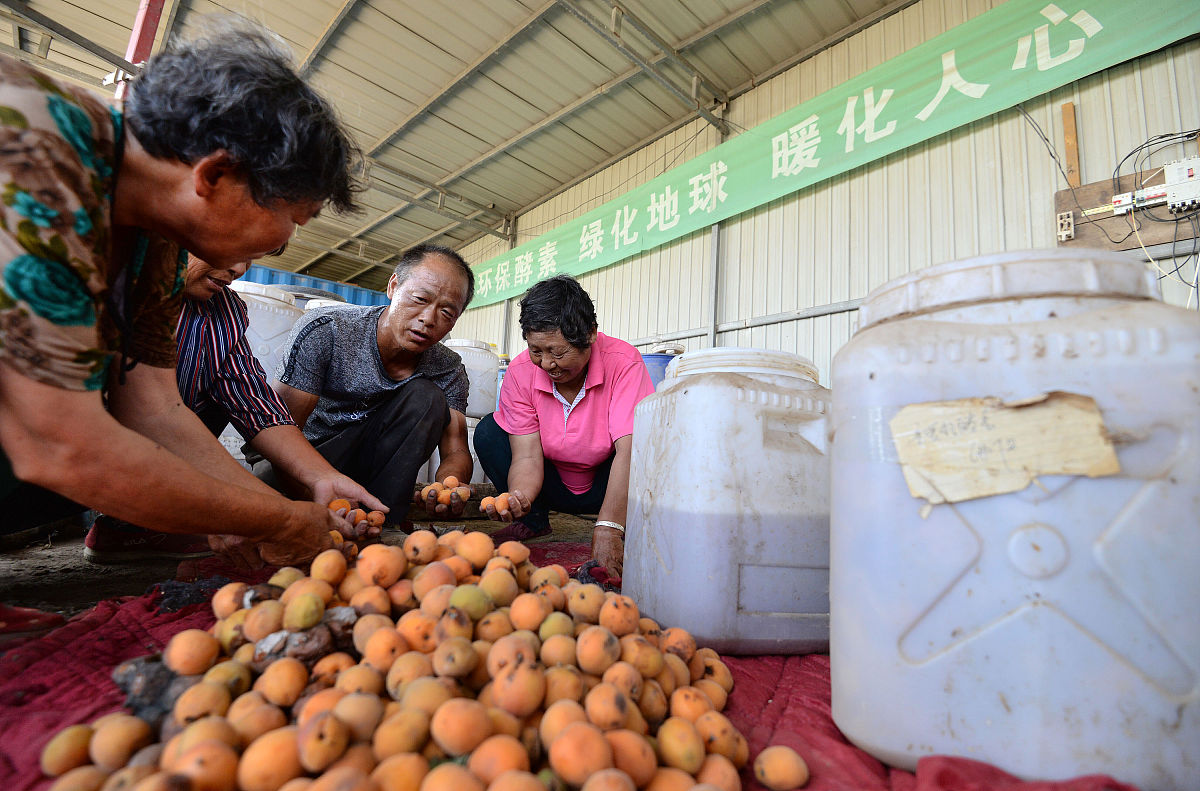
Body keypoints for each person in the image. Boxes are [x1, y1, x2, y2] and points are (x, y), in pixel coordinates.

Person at [0, 17, 365, 572]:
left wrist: (273, 511)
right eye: (296, 217)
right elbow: (58, 443)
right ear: (216, 174)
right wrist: (275, 520)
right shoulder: (41, 150)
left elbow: (154, 405)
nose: (287, 242)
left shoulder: (156, 240)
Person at [83, 253, 387, 564]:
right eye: (231, 248)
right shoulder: (103, 279)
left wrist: (321, 476)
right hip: (76, 453)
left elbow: (252, 403)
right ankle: (130, 511)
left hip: (147, 447)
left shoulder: (222, 311)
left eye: (252, 257)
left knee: (219, 395)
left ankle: (137, 524)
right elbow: (140, 415)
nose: (239, 269)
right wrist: (268, 514)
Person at [266, 244, 476, 524]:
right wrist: (319, 497)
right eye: (419, 298)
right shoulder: (327, 330)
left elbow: (456, 448)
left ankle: (382, 521)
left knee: (426, 397)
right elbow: (280, 431)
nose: (428, 319)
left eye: (447, 312)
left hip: (368, 470)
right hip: (303, 461)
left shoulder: (447, 367)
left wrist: (451, 486)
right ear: (393, 286)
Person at [473, 275, 655, 578]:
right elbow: (528, 456)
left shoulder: (623, 362)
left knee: (645, 449)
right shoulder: (520, 373)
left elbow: (631, 451)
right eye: (536, 351)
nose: (546, 364)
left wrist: (609, 527)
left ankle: (622, 523)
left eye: (557, 352)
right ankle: (534, 520)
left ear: (590, 335)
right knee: (490, 431)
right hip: (552, 482)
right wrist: (520, 497)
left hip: (606, 485)